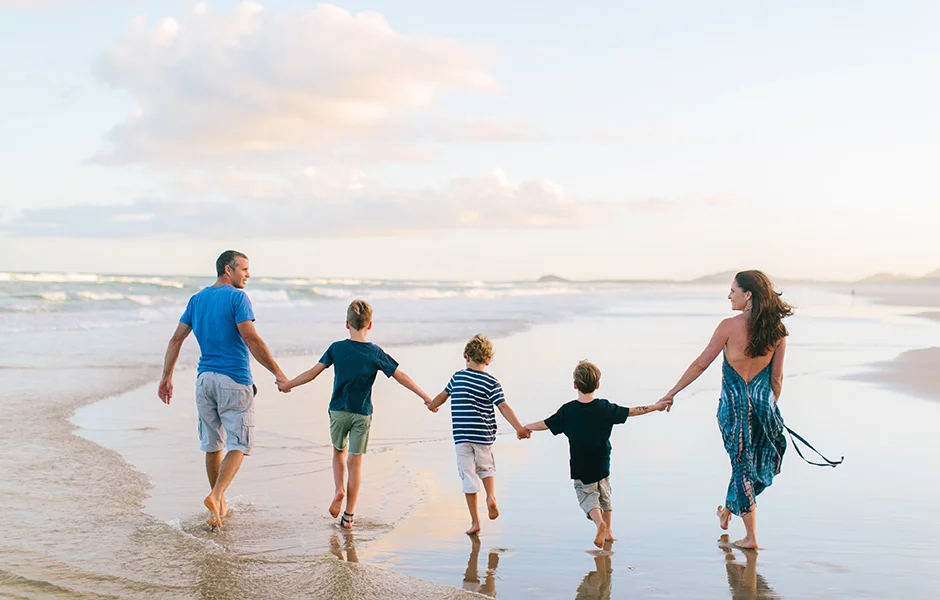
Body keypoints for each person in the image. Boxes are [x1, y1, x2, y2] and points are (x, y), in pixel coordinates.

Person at [659, 270, 839, 549]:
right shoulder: (777, 331)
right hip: (763, 406)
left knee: (741, 465)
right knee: (748, 462)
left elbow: (700, 364)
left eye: (733, 290)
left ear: (748, 294)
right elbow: (776, 379)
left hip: (734, 406)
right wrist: (769, 409)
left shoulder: (728, 326)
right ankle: (727, 511)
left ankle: (751, 536)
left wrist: (672, 393)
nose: (729, 295)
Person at [158, 250, 288, 528]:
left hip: (204, 381)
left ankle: (219, 507)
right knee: (239, 443)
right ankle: (216, 495)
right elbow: (251, 338)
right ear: (228, 270)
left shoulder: (197, 299)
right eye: (244, 269)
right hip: (233, 380)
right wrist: (277, 372)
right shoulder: (237, 297)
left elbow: (175, 339)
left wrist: (166, 377)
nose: (248, 274)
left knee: (212, 443)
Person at [277, 299, 431, 529]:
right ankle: (348, 515)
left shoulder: (336, 348)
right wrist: (425, 397)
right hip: (362, 414)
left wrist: (288, 384)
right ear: (370, 326)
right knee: (355, 462)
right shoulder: (375, 353)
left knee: (339, 452)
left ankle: (338, 489)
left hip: (338, 410)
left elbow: (312, 373)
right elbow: (401, 376)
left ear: (346, 323)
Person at [525, 360, 672, 548]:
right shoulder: (605, 407)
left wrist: (526, 427)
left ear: (574, 385)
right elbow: (631, 412)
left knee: (588, 496)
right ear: (598, 385)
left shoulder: (568, 410)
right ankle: (608, 531)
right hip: (602, 463)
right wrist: (656, 406)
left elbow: (546, 424)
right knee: (604, 496)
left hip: (581, 465)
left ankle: (599, 523)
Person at [427, 334, 530, 535]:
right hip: (483, 435)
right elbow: (503, 406)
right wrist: (519, 427)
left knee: (468, 477)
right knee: (486, 468)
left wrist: (432, 405)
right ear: (489, 361)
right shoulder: (491, 382)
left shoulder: (457, 377)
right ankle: (491, 497)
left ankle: (475, 522)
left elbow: (442, 396)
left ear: (466, 356)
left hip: (462, 437)